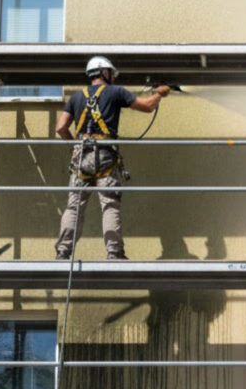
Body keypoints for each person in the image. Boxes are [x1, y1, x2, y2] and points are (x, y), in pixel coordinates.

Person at [53, 56, 171, 260]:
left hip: (81, 156)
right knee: (109, 205)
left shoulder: (76, 97)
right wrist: (160, 93)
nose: (113, 78)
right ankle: (114, 253)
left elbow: (61, 127)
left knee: (74, 207)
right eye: (111, 74)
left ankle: (63, 252)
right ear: (105, 72)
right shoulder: (116, 92)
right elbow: (147, 106)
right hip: (105, 154)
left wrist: (75, 146)